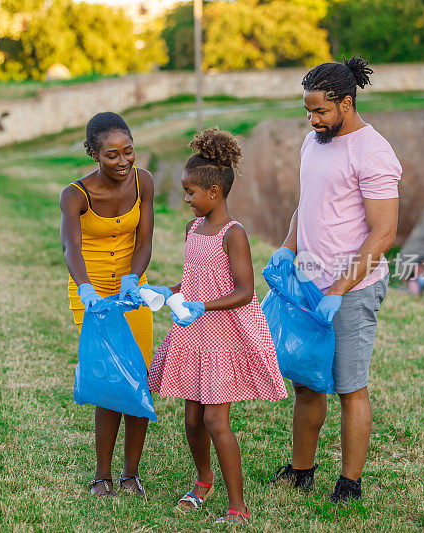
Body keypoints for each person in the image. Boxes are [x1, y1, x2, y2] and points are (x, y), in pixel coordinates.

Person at [267, 55, 401, 503]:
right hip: (307, 284)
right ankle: (302, 469)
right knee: (307, 382)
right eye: (308, 111)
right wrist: (288, 248)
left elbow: (383, 233)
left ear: (346, 103)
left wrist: (339, 290)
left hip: (351, 290)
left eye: (320, 111)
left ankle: (350, 482)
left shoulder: (374, 151)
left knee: (349, 385)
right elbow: (308, 205)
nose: (313, 119)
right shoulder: (313, 142)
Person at [145, 128, 287, 525]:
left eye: (191, 193)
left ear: (215, 192)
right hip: (193, 334)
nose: (187, 200)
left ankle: (237, 507)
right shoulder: (193, 230)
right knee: (191, 418)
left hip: (223, 336)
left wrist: (200, 305)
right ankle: (203, 480)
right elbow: (191, 280)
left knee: (214, 421)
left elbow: (244, 291)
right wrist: (164, 291)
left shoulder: (233, 234)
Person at [59, 112, 155, 497]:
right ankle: (102, 475)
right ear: (94, 155)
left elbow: (145, 242)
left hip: (133, 291)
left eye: (128, 151)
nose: (122, 161)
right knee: (108, 379)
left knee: (138, 376)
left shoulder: (142, 181)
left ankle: (131, 474)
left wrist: (133, 278)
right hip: (92, 295)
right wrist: (86, 289)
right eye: (111, 155)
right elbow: (71, 246)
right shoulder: (75, 195)